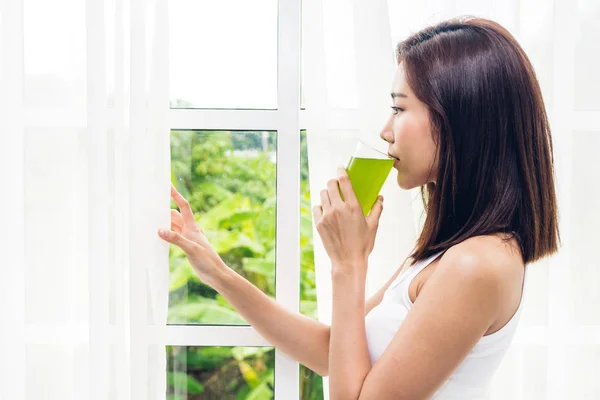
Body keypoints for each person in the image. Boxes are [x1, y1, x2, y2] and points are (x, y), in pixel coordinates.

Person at [158, 16, 559, 400]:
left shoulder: (476, 264)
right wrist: (218, 273)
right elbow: (330, 350)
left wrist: (348, 264)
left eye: (400, 109)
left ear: (458, 119)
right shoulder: (452, 253)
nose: (386, 130)